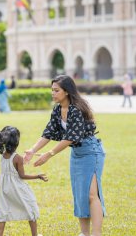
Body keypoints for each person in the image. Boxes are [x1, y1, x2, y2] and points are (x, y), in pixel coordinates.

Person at [24, 75, 106, 236]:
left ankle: (96, 234)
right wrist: (32, 150)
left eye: (56, 90)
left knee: (91, 194)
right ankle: (84, 233)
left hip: (91, 152)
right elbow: (48, 132)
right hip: (77, 153)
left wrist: (49, 154)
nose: (52, 93)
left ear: (67, 92)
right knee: (80, 194)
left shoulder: (76, 109)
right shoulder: (57, 109)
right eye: (52, 90)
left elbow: (71, 137)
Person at [0, 126, 47, 236]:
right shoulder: (17, 158)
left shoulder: (3, 155)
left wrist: (22, 162)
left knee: (3, 211)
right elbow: (21, 175)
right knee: (30, 206)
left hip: (4, 188)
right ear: (16, 142)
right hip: (16, 188)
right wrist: (37, 176)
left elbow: (11, 169)